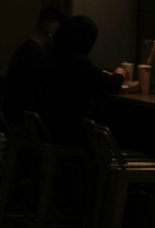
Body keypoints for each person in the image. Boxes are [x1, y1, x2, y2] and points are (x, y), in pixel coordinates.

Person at [37, 14, 122, 145]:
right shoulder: (78, 61)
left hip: (49, 127)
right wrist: (120, 74)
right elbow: (109, 85)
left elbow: (90, 75)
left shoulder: (52, 57)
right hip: (71, 132)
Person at [3, 0, 62, 129]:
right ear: (51, 32)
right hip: (26, 123)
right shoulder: (39, 57)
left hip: (14, 117)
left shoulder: (23, 50)